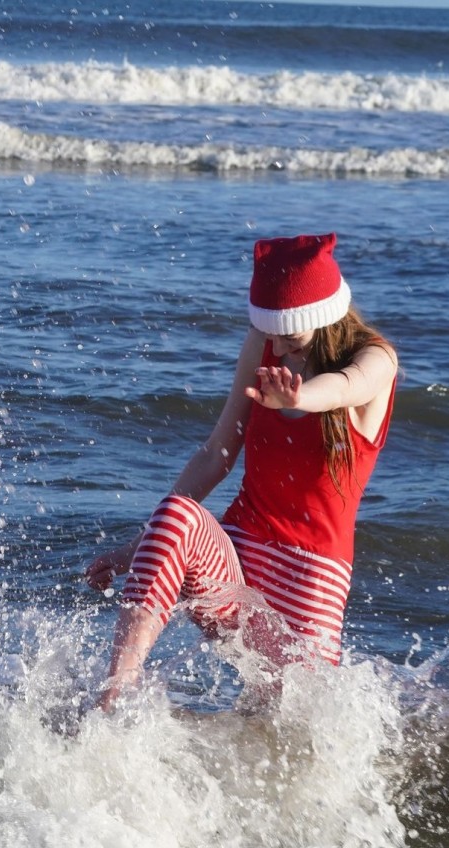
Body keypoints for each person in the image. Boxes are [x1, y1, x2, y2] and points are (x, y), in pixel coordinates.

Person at [85, 233, 397, 711]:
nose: (272, 343)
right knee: (177, 514)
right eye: (266, 330)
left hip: (308, 588)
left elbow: (345, 387)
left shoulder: (375, 359)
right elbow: (217, 454)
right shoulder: (265, 343)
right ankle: (112, 700)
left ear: (319, 317)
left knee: (277, 723)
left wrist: (300, 399)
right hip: (239, 562)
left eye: (286, 333)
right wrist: (140, 547)